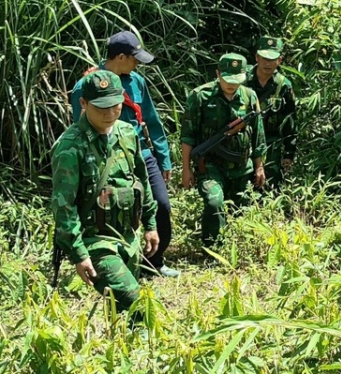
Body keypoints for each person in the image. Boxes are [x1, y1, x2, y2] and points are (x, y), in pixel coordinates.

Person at [52, 70, 159, 323]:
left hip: (127, 237)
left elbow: (141, 180)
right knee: (138, 304)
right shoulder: (70, 146)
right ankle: (149, 349)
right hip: (95, 241)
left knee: (121, 311)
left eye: (115, 105)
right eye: (102, 108)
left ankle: (125, 353)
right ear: (83, 104)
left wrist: (151, 224)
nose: (110, 113)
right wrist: (79, 254)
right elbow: (63, 206)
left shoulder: (127, 133)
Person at [70, 30, 179, 278]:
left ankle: (154, 263)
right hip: (107, 157)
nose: (138, 63)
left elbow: (151, 120)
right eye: (135, 58)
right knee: (111, 212)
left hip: (140, 153)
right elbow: (80, 128)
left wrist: (163, 158)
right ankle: (115, 266)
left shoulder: (137, 82)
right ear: (120, 57)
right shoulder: (86, 86)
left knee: (161, 205)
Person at [180, 53, 266, 249]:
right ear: (218, 74)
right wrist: (186, 168)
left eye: (236, 80)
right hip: (210, 164)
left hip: (241, 166)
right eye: (227, 79)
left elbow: (258, 134)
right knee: (214, 201)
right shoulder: (200, 96)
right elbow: (187, 135)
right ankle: (212, 249)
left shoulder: (249, 96)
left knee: (240, 210)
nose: (231, 84)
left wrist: (259, 166)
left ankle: (237, 248)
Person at [247, 36, 296, 190]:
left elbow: (290, 121)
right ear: (256, 57)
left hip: (271, 146)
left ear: (279, 60)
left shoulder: (284, 86)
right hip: (244, 143)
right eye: (263, 58)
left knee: (269, 189)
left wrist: (289, 154)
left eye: (272, 59)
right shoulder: (242, 79)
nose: (267, 63)